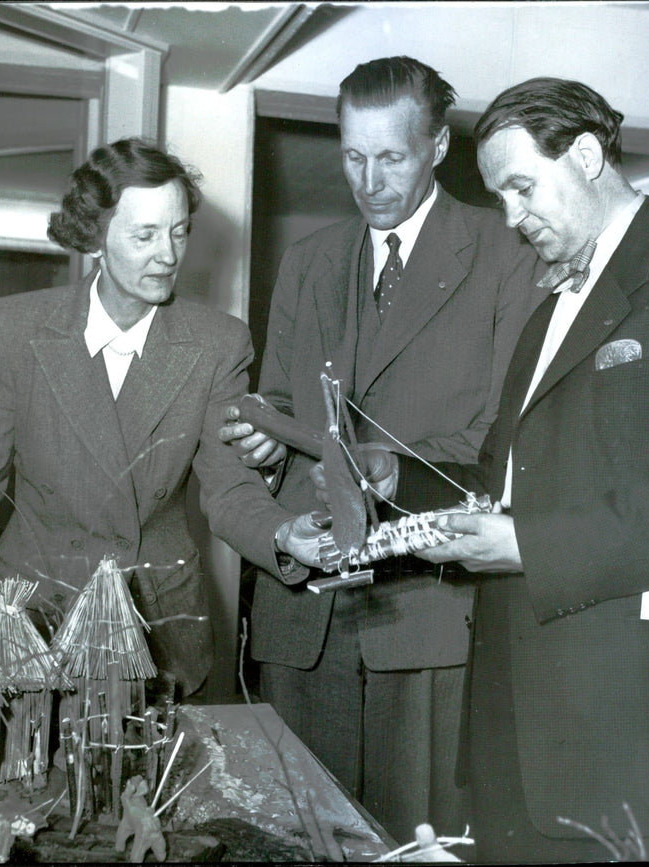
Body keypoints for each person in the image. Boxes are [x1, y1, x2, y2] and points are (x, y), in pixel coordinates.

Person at [406, 78, 649, 862]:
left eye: (522, 187)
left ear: (587, 156)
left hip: (637, 737)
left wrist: (522, 546)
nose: (513, 219)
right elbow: (507, 482)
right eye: (500, 197)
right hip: (519, 734)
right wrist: (394, 479)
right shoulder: (549, 306)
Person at [220, 57, 544, 840]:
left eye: (391, 156)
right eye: (353, 156)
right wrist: (266, 441)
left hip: (424, 618)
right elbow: (288, 408)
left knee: (413, 843)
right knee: (297, 842)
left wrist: (391, 466)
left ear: (436, 146)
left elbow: (504, 441)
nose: (368, 180)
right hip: (305, 619)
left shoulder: (506, 254)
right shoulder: (309, 263)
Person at [0, 138, 322, 700]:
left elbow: (230, 488)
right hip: (31, 620)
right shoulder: (13, 329)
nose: (168, 256)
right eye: (144, 235)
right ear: (95, 237)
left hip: (157, 630)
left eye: (179, 230)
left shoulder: (218, 343)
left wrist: (282, 533)